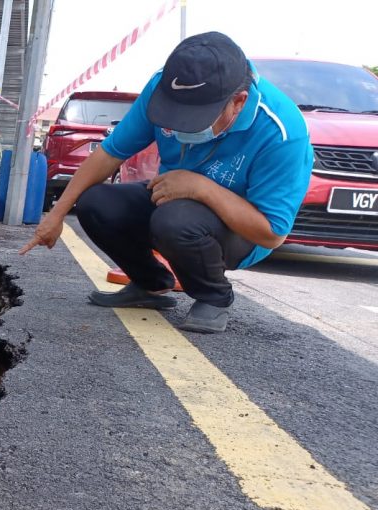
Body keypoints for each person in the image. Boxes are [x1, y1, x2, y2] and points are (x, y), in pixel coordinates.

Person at [19, 32, 313, 333]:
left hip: (239, 230)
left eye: (195, 118)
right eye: (176, 114)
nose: (179, 125)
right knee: (96, 203)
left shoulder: (281, 130)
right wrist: (56, 215)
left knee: (174, 219)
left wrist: (201, 188)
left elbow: (271, 234)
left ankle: (214, 297)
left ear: (237, 102)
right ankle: (150, 284)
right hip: (173, 200)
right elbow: (110, 154)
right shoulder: (166, 86)